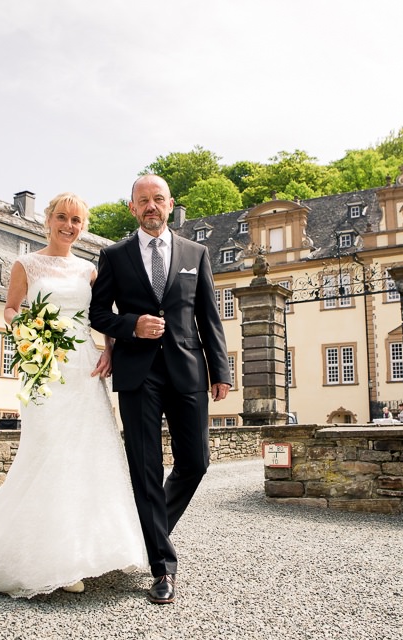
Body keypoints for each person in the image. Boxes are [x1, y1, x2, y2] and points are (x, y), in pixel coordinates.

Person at [0, 193, 146, 597]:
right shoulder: (25, 263)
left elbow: (102, 317)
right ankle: (51, 560)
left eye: (77, 220)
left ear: (83, 226)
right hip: (44, 365)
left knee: (89, 454)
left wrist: (110, 351)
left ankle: (85, 551)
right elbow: (9, 309)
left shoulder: (90, 271)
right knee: (48, 454)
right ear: (48, 220)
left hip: (83, 366)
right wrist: (26, 329)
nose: (69, 225)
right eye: (62, 217)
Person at [90, 174, 230, 605]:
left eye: (158, 200)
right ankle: (162, 567)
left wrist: (220, 370)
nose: (151, 206)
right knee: (145, 468)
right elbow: (97, 314)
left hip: (188, 370)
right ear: (132, 208)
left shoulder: (196, 253)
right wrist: (132, 325)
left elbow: (209, 316)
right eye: (142, 200)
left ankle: (144, 533)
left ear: (170, 205)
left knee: (196, 462)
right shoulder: (114, 255)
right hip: (138, 375)